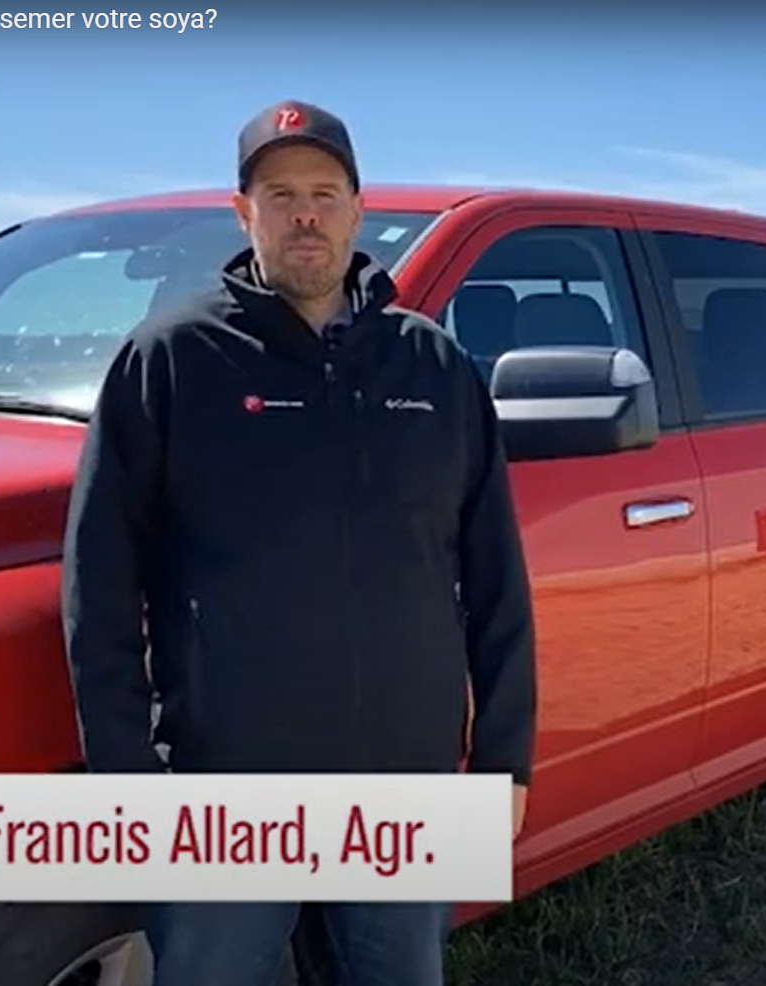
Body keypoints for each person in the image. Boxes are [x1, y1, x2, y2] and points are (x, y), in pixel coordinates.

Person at [60, 99, 537, 986]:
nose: (304, 213)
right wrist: (126, 770)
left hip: (407, 777)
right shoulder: (171, 360)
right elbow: (100, 582)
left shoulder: (433, 368)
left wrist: (504, 760)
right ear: (244, 215)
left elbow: (494, 575)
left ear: (359, 211)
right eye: (279, 195)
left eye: (324, 192)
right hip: (227, 780)